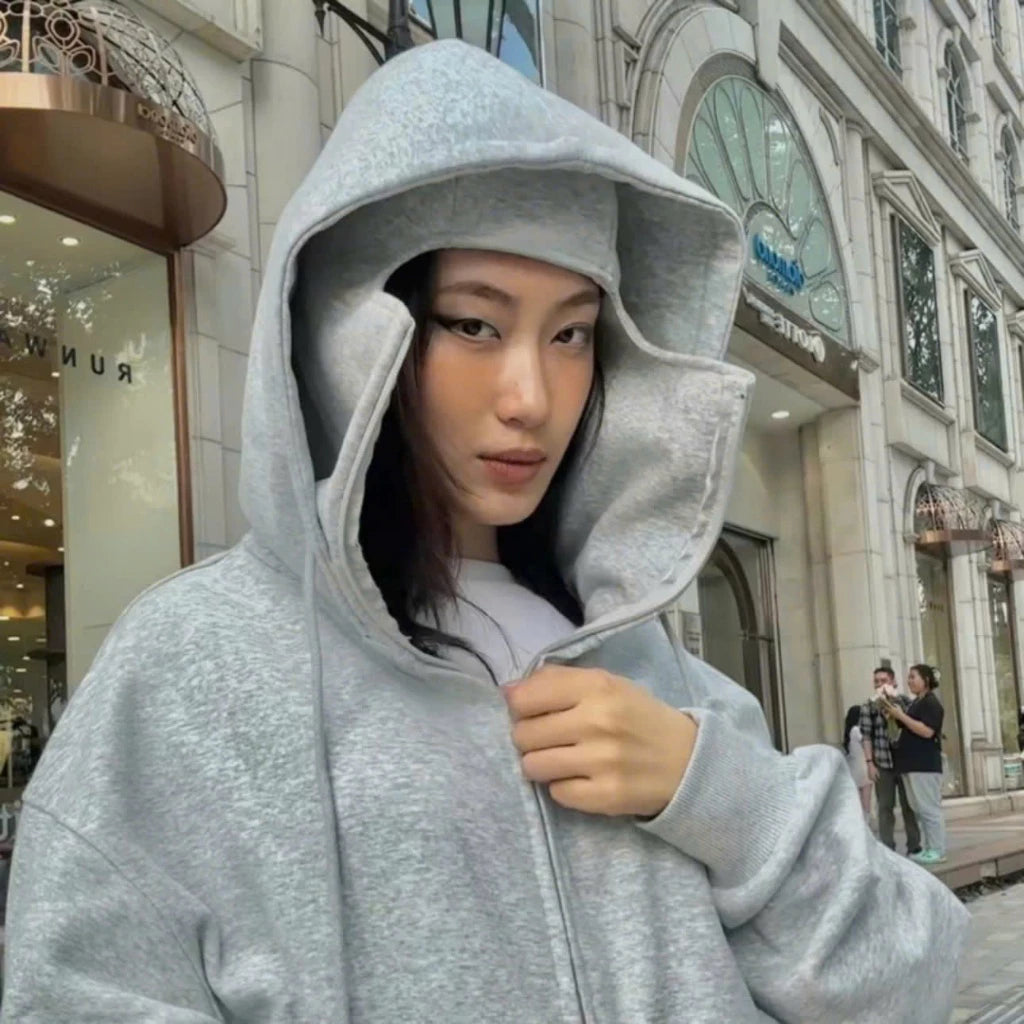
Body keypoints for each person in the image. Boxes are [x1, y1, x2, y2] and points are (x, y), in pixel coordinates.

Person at [0, 40, 968, 1023]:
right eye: (473, 324)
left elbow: (909, 979)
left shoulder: (650, 670)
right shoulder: (192, 669)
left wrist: (719, 796)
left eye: (571, 333)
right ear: (353, 332)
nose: (531, 397)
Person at [881, 664, 947, 866]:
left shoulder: (931, 703)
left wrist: (901, 716)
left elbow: (927, 731)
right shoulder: (916, 703)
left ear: (926, 680)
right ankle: (929, 848)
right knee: (919, 808)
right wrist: (893, 716)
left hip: (924, 765)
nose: (909, 681)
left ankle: (937, 850)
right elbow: (906, 726)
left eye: (913, 677)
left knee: (929, 809)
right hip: (911, 764)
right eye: (908, 677)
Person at [860, 665, 922, 855]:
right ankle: (887, 848)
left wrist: (894, 707)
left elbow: (913, 726)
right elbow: (866, 736)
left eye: (884, 681)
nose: (880, 684)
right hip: (883, 762)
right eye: (876, 681)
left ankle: (914, 846)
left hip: (905, 762)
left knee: (909, 805)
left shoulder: (905, 702)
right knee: (885, 806)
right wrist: (870, 763)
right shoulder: (869, 706)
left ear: (893, 682)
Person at [843, 705, 871, 818]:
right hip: (863, 767)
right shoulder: (857, 730)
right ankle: (866, 821)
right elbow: (866, 741)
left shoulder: (850, 731)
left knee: (859, 800)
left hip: (854, 768)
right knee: (866, 801)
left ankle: (862, 820)